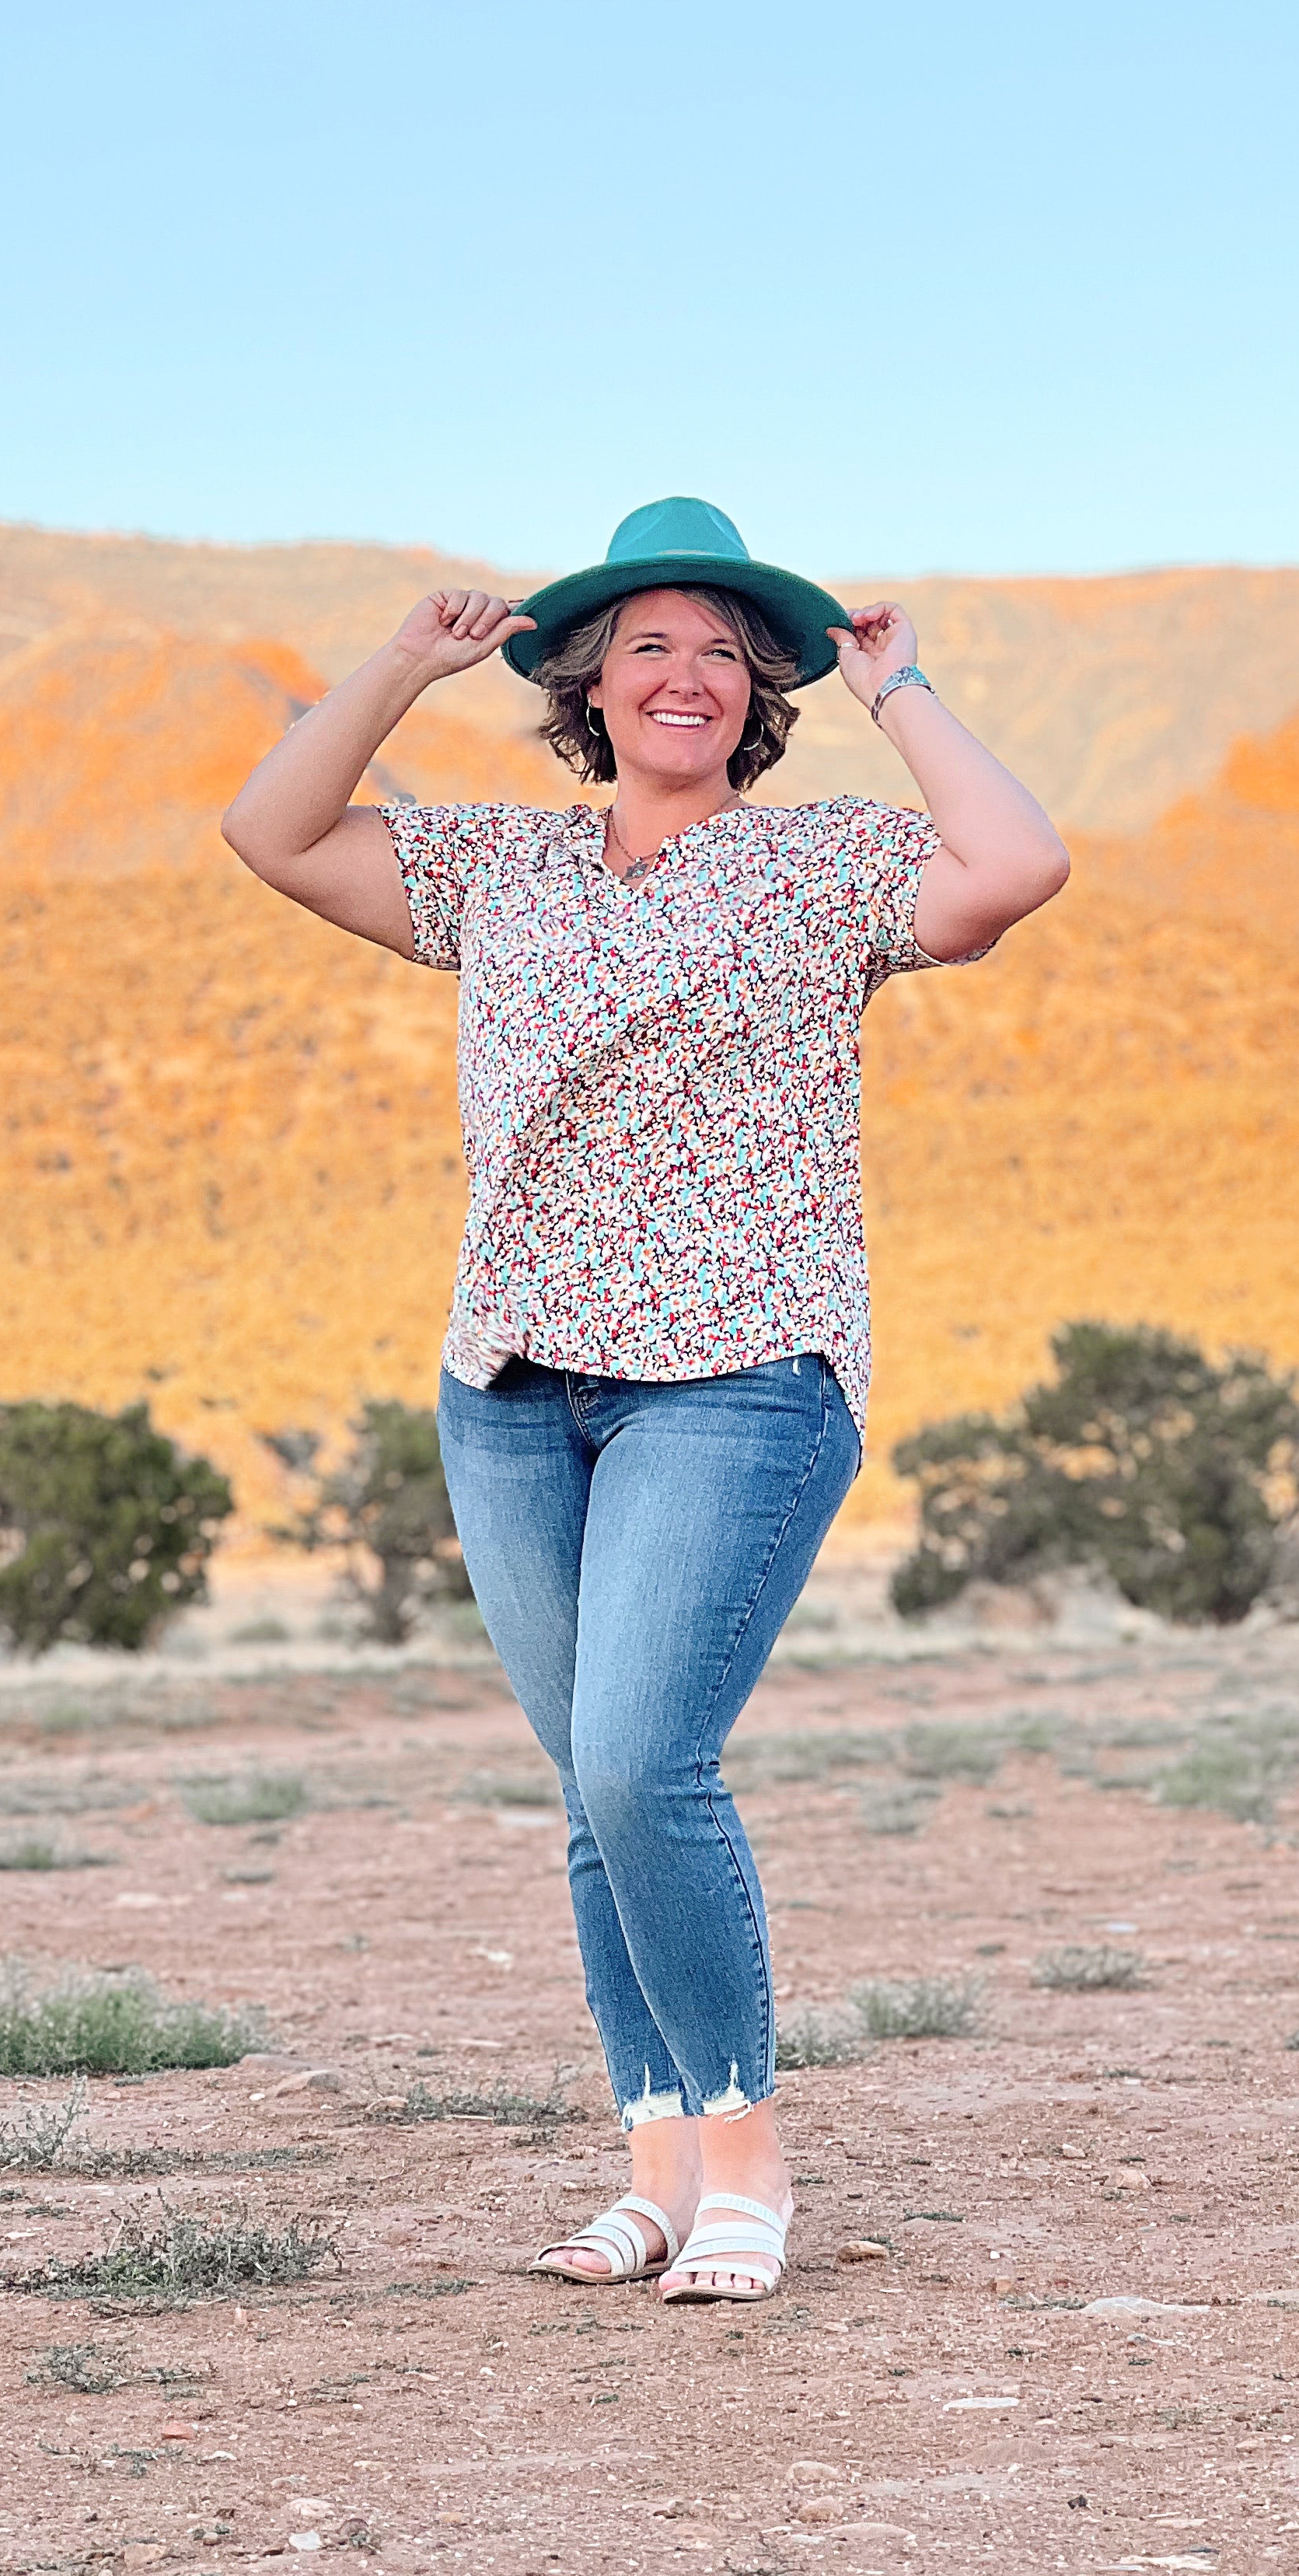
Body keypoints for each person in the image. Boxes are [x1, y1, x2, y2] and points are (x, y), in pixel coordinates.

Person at [221, 497, 1068, 2302]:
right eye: (645, 645)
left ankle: (750, 2160)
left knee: (640, 1764)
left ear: (759, 688)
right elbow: (271, 833)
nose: (682, 675)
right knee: (593, 1793)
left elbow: (1015, 867)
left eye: (717, 649)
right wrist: (398, 665)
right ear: (588, 684)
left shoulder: (826, 863)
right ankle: (659, 2166)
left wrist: (900, 689)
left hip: (741, 1379)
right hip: (515, 1384)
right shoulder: (496, 872)